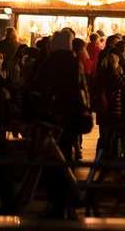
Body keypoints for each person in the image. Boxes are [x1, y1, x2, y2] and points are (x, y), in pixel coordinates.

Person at [33, 29, 91, 219]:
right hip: (70, 118)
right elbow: (80, 89)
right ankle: (68, 201)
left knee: (55, 162)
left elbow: (38, 88)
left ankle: (58, 202)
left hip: (52, 119)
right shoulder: (74, 63)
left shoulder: (48, 63)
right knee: (66, 158)